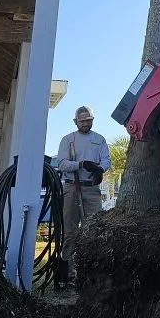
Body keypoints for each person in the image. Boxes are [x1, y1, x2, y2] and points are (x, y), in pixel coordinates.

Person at [53, 105, 110, 285]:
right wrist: (81, 164)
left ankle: (89, 272)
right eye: (82, 120)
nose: (86, 123)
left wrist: (100, 169)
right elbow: (61, 163)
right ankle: (67, 274)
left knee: (93, 229)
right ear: (75, 121)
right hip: (71, 187)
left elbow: (106, 160)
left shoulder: (99, 140)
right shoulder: (68, 140)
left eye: (89, 120)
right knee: (70, 231)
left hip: (91, 189)